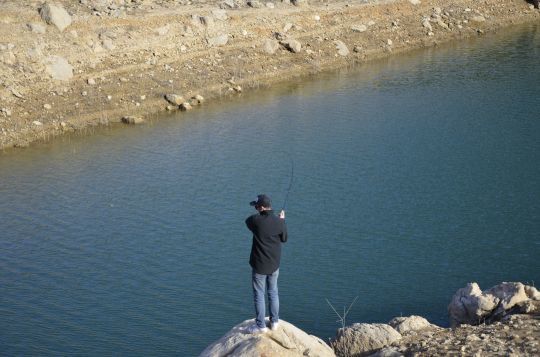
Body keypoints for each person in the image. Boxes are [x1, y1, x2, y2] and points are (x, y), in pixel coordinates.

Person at [245, 194, 287, 334]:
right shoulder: (279, 222)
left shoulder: (255, 221)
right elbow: (284, 238)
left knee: (259, 294)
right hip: (274, 264)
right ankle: (274, 322)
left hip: (259, 266)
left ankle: (261, 326)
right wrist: (282, 220)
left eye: (257, 206)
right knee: (273, 292)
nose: (256, 208)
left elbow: (248, 222)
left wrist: (261, 215)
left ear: (262, 207)